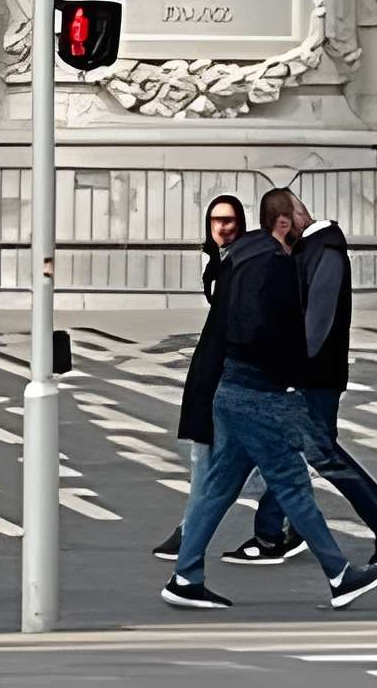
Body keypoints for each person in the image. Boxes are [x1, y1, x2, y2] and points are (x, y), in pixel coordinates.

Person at [161, 188, 377, 612]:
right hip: (259, 393)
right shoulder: (272, 265)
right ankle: (340, 575)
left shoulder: (240, 255)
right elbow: (261, 330)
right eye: (300, 219)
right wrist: (289, 377)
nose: (305, 231)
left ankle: (185, 575)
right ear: (285, 224)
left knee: (219, 486)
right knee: (292, 483)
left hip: (229, 388)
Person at [223, 190, 377, 572]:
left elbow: (317, 324)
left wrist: (291, 370)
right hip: (307, 373)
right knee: (293, 449)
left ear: (290, 220)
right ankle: (273, 533)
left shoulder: (326, 251)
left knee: (320, 452)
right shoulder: (309, 252)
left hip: (316, 376)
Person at [151, 193, 245, 563]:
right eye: (215, 221)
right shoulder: (219, 263)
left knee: (211, 460)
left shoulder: (240, 265)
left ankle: (190, 537)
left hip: (225, 375)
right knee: (260, 462)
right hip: (215, 373)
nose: (222, 227)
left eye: (229, 220)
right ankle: (283, 525)